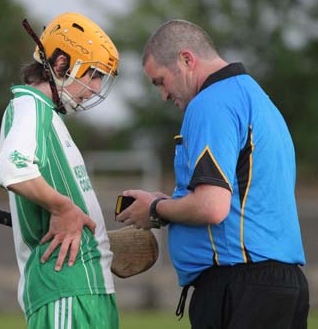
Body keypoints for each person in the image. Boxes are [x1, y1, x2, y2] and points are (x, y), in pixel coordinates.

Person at [116, 19, 309, 328]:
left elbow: (211, 206)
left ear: (186, 60)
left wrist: (154, 209)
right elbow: (236, 202)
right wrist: (170, 206)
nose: (163, 95)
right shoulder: (257, 98)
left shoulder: (210, 102)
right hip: (279, 285)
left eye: (160, 81)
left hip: (242, 285)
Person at [0, 12, 120, 328]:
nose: (95, 88)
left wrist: (104, 245)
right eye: (93, 75)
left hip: (88, 289)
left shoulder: (49, 116)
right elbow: (12, 167)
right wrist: (63, 208)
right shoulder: (29, 106)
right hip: (66, 289)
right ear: (62, 64)